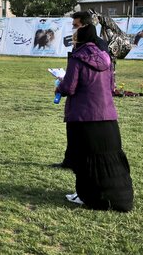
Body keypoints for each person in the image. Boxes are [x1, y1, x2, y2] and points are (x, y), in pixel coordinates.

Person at [55, 20, 133, 212]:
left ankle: (86, 195)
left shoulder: (77, 58)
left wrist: (60, 83)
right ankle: (116, 197)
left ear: (78, 40)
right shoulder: (106, 58)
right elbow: (110, 87)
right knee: (109, 158)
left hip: (84, 116)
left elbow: (69, 87)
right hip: (107, 115)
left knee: (84, 157)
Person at [53, 11, 110, 169]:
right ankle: (69, 160)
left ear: (86, 26)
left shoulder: (97, 46)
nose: (73, 29)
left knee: (81, 135)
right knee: (72, 131)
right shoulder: (81, 45)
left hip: (88, 100)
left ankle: (77, 163)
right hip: (82, 97)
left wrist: (65, 85)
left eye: (76, 26)